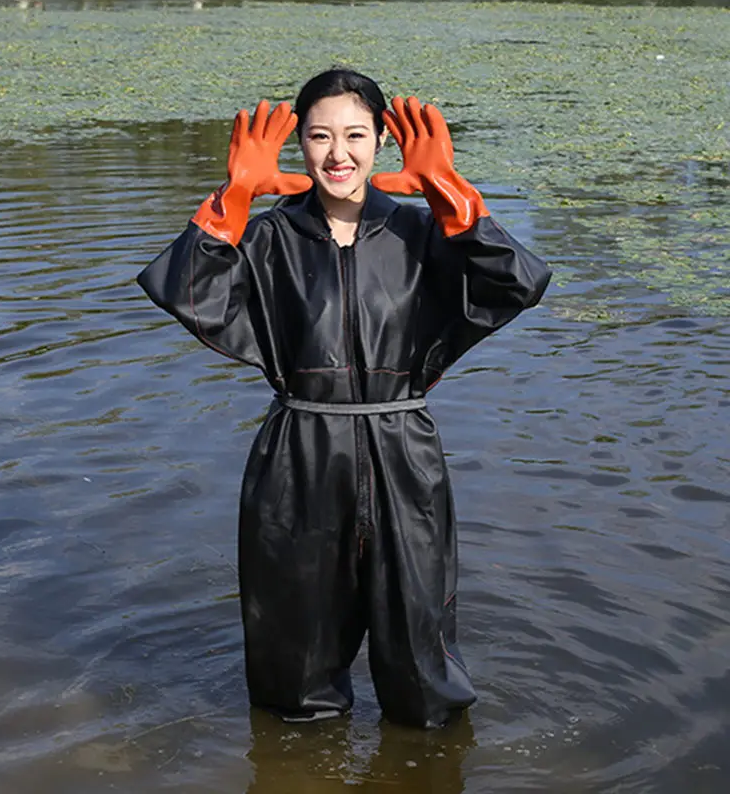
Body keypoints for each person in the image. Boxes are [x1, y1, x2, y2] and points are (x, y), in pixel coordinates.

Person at [137, 68, 551, 729]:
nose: (338, 154)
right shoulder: (270, 238)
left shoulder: (422, 234)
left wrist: (450, 192)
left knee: (425, 674)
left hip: (404, 456)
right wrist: (233, 196)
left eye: (356, 135)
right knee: (292, 679)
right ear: (297, 144)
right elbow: (187, 292)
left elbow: (518, 283)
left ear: (385, 142)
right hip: (297, 460)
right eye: (320, 136)